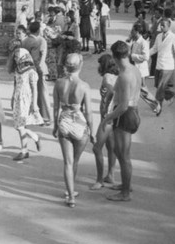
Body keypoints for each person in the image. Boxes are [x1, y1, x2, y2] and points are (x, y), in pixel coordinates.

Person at [101, 41, 141, 202]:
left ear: (115, 57)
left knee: (123, 156)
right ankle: (126, 184)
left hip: (125, 114)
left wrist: (107, 118)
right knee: (119, 151)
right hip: (132, 112)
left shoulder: (125, 76)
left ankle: (125, 192)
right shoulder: (133, 70)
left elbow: (123, 106)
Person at [53, 53, 93, 208]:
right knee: (75, 160)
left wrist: (56, 126)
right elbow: (89, 112)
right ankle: (71, 190)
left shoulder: (58, 83)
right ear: (80, 65)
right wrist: (93, 131)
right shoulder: (84, 86)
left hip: (64, 121)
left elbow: (56, 107)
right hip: (79, 123)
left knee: (68, 163)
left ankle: (70, 196)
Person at [9, 48, 43, 161]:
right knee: (19, 125)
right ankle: (35, 137)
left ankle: (24, 150)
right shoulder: (18, 70)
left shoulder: (31, 72)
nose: (16, 58)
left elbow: (35, 89)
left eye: (17, 56)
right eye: (15, 56)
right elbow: (16, 85)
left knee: (20, 126)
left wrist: (34, 104)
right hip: (18, 99)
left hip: (26, 100)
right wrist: (12, 97)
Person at [91, 54, 117, 189]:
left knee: (97, 148)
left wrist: (106, 110)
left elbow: (111, 91)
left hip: (107, 118)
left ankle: (99, 180)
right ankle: (111, 175)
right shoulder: (117, 76)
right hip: (114, 116)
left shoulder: (107, 77)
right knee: (111, 147)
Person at [149, 19, 175, 109]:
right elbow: (154, 48)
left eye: (163, 25)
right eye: (160, 25)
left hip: (168, 66)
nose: (161, 27)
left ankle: (158, 105)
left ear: (169, 26)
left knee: (161, 86)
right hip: (159, 64)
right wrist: (145, 55)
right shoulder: (158, 36)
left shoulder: (174, 37)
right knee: (158, 85)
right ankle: (170, 95)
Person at [129, 24, 161, 115]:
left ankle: (156, 105)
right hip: (135, 69)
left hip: (140, 71)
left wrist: (132, 56)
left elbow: (146, 57)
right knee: (137, 90)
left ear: (137, 32)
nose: (131, 32)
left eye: (133, 31)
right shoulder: (135, 41)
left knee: (142, 91)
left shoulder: (143, 42)